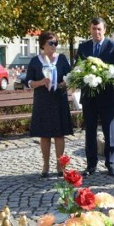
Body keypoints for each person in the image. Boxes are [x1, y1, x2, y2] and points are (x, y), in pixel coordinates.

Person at [76, 17, 114, 177]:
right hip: (89, 98)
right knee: (90, 132)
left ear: (104, 30)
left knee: (109, 132)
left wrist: (102, 74)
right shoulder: (83, 47)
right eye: (93, 29)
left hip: (108, 97)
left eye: (99, 29)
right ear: (90, 29)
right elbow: (78, 68)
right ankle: (91, 165)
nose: (96, 32)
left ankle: (111, 164)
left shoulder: (113, 47)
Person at [26, 31, 73, 178]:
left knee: (59, 134)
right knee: (44, 135)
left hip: (59, 99)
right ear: (43, 45)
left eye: (56, 43)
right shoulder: (35, 61)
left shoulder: (62, 59)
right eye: (51, 43)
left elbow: (70, 77)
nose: (54, 46)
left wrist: (64, 83)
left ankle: (60, 165)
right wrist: (41, 82)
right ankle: (45, 164)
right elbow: (28, 82)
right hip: (43, 101)